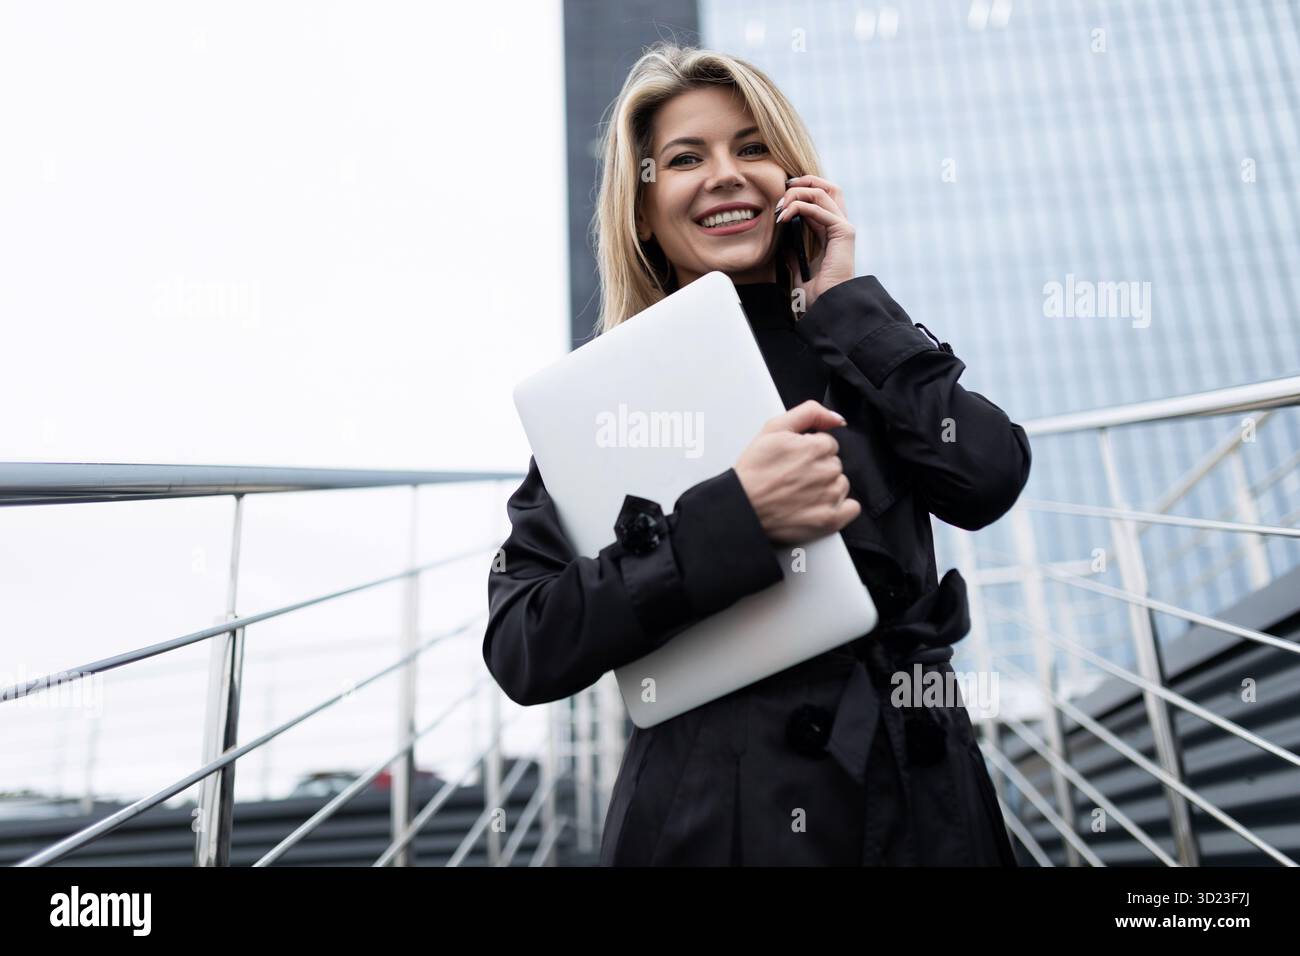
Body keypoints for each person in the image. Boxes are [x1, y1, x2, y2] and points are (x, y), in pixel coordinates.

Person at [484, 41, 1031, 866]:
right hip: (722, 818)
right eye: (684, 158)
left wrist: (847, 305)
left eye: (752, 147)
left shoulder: (860, 344)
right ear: (642, 208)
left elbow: (989, 476)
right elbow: (525, 643)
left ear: (795, 178)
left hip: (922, 801)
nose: (726, 174)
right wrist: (734, 519)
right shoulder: (606, 398)